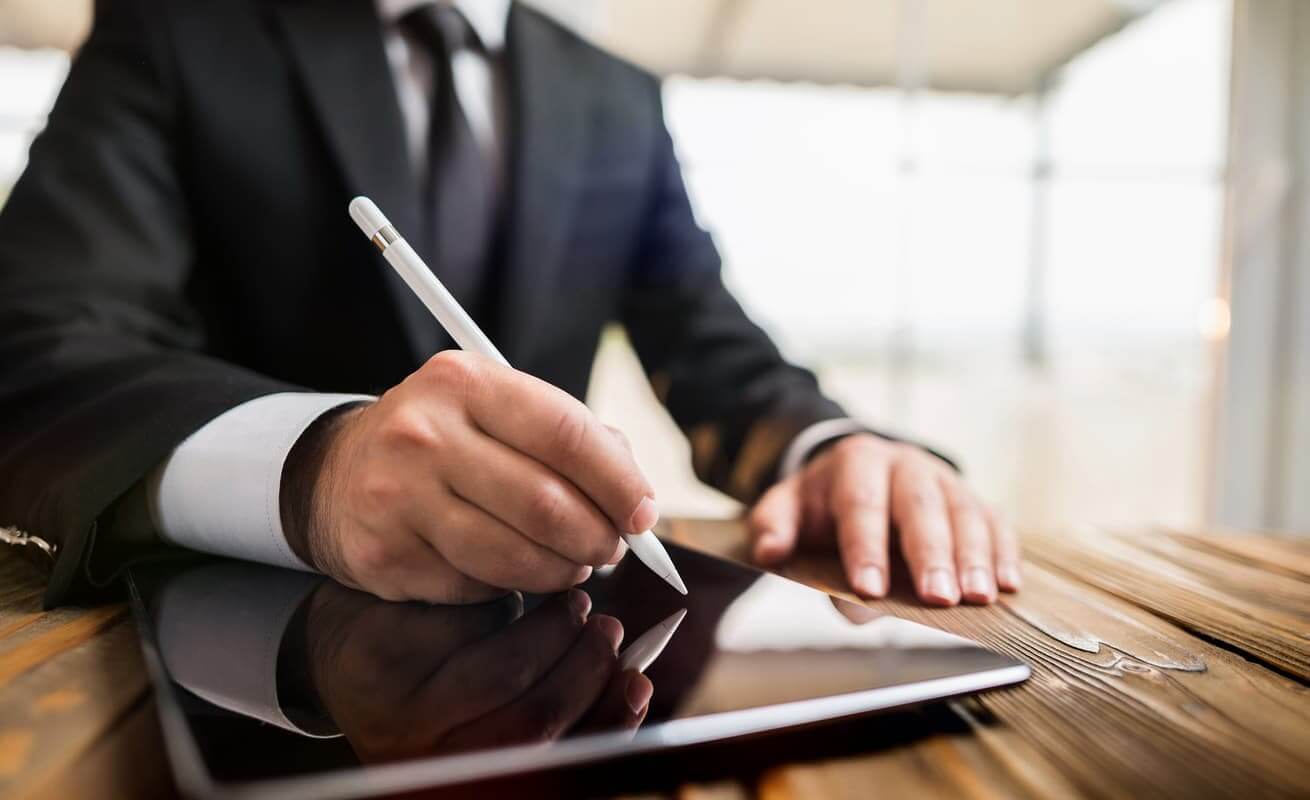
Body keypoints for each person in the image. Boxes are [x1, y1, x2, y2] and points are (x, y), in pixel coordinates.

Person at [0, 0, 1019, 608]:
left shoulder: (615, 95)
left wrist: (825, 446)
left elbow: (710, 348)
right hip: (241, 658)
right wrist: (313, 465)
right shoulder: (179, 29)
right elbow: (37, 343)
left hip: (553, 659)